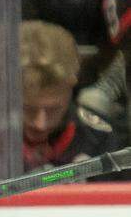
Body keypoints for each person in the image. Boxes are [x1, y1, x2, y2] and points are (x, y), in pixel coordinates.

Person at [20, 20, 124, 173]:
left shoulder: (101, 140)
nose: (40, 124)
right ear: (2, 88)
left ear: (71, 87)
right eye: (28, 109)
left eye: (53, 110)